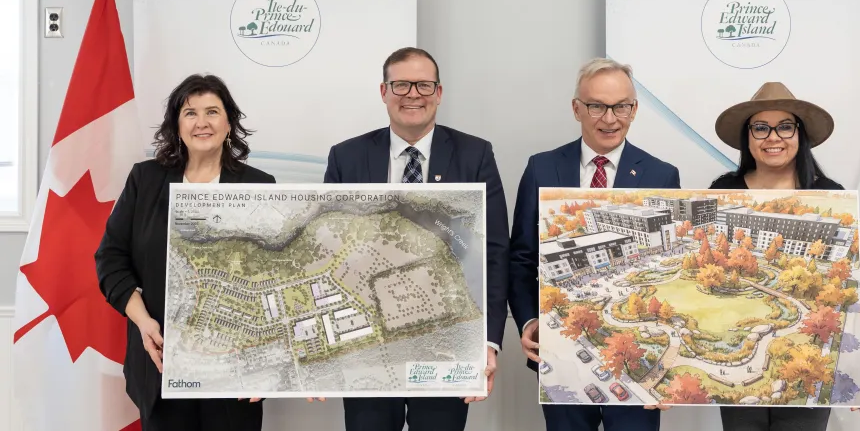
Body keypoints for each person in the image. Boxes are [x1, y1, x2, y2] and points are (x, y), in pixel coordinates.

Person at [320, 47, 509, 431]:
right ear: (383, 91)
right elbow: (328, 250)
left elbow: (494, 252)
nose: (413, 94)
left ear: (438, 92)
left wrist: (487, 342)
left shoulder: (475, 154)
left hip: (448, 340)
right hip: (368, 345)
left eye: (423, 85)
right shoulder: (346, 157)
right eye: (401, 84)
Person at [508, 57, 679, 431]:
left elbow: (667, 273)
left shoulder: (662, 174)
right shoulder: (542, 167)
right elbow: (521, 258)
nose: (610, 118)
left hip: (637, 357)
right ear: (576, 109)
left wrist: (668, 369)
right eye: (597, 106)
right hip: (559, 350)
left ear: (633, 109)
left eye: (621, 106)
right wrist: (529, 320)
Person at [95, 74, 274, 430]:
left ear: (229, 123)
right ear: (177, 125)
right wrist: (143, 321)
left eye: (212, 111)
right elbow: (111, 259)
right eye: (190, 113)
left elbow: (275, 277)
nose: (202, 122)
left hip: (234, 372)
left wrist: (269, 361)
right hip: (161, 365)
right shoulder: (145, 180)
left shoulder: (259, 185)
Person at [709, 81, 860, 430]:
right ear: (748, 137)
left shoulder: (831, 196)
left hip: (811, 354)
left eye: (785, 126)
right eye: (761, 127)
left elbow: (857, 283)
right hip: (738, 343)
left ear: (799, 133)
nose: (773, 137)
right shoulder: (723, 191)